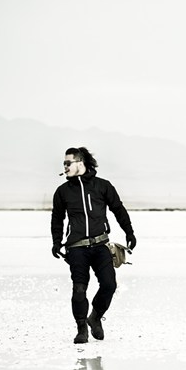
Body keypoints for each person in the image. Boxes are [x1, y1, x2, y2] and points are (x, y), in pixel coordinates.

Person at [51, 147, 137, 344]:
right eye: (64, 163)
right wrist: (56, 242)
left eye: (68, 163)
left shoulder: (102, 186)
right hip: (76, 247)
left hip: (101, 245)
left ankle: (95, 317)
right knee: (79, 290)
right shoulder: (63, 191)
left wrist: (129, 232)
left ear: (80, 163)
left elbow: (118, 209)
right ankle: (82, 328)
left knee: (109, 285)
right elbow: (57, 218)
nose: (65, 167)